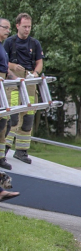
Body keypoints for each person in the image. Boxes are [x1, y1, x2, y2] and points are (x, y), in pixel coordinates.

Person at [3, 13, 44, 165]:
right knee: (13, 115)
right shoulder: (9, 42)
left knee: (29, 115)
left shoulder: (34, 43)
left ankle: (22, 150)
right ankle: (5, 147)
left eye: (29, 27)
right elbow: (3, 62)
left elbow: (39, 62)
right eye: (24, 26)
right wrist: (13, 66)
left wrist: (35, 73)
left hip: (30, 80)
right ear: (17, 26)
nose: (27, 29)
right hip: (14, 81)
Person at [0, 17, 22, 171]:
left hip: (3, 84)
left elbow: (4, 68)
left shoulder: (2, 47)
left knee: (5, 123)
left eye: (9, 28)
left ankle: (1, 157)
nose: (8, 31)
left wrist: (15, 78)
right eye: (5, 28)